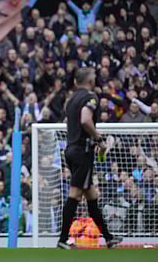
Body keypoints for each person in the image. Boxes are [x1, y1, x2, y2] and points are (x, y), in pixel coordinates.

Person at [57, 67, 122, 249]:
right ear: (91, 81)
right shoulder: (90, 97)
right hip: (82, 152)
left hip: (70, 150)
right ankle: (62, 239)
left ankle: (109, 238)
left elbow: (69, 121)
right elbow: (86, 120)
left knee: (91, 195)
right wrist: (99, 139)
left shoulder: (70, 101)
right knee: (75, 194)